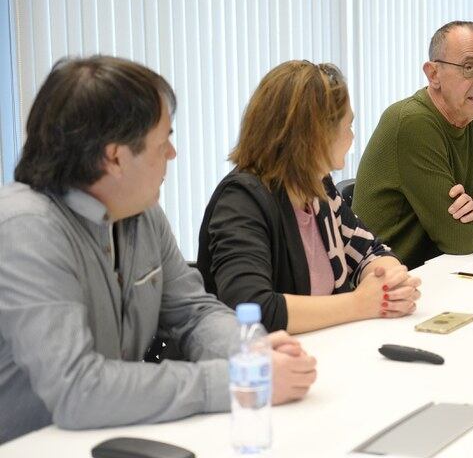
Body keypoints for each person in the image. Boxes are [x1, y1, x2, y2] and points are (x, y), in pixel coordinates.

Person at [0, 56, 317, 443]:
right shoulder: (26, 229)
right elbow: (77, 389)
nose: (173, 153)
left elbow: (193, 312)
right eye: (164, 138)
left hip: (111, 435)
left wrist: (250, 350)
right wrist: (233, 379)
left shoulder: (141, 212)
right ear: (115, 157)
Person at [198, 61, 421, 334]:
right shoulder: (242, 201)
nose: (352, 137)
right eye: (348, 126)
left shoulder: (318, 186)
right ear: (315, 135)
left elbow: (369, 251)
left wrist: (388, 282)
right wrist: (359, 303)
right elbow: (253, 307)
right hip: (264, 366)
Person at [353, 21, 473, 269]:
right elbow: (460, 239)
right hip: (393, 280)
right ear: (433, 74)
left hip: (442, 269)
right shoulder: (413, 122)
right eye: (469, 67)